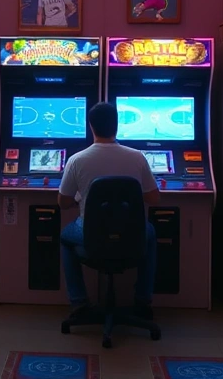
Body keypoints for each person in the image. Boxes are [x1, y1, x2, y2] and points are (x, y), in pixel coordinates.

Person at [58, 102, 159, 320]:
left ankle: (78, 302)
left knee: (65, 238)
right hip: (130, 237)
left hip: (91, 237)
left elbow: (63, 202)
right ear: (117, 125)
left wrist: (82, 197)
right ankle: (143, 300)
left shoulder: (76, 160)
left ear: (91, 126)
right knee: (149, 233)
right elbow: (154, 197)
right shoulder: (137, 157)